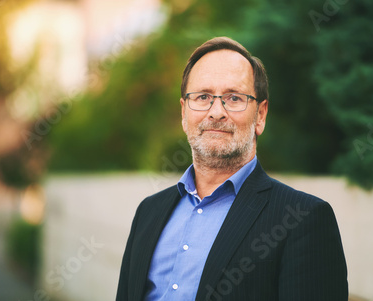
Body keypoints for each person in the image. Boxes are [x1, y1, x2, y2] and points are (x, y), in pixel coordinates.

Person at [116, 37, 348, 301]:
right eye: (203, 97)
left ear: (260, 115)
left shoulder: (302, 219)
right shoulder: (149, 211)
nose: (216, 112)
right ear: (184, 113)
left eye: (234, 98)